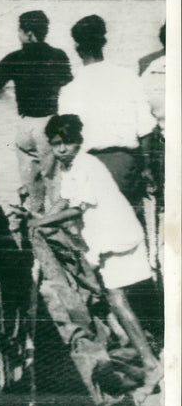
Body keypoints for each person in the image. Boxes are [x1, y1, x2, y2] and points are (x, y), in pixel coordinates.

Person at [29, 115, 161, 375]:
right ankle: (139, 346)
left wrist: (39, 225)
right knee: (116, 296)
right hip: (108, 235)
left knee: (117, 298)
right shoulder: (70, 167)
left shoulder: (86, 165)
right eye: (55, 145)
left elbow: (76, 209)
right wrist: (44, 220)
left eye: (67, 143)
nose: (62, 149)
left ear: (78, 141)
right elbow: (64, 201)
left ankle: (149, 360)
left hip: (116, 234)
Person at [0, 10, 72, 210]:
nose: (18, 34)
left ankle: (35, 228)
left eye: (19, 30)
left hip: (25, 126)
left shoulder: (15, 58)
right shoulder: (59, 55)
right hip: (51, 123)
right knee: (55, 182)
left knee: (31, 185)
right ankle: (58, 229)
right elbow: (68, 86)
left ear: (27, 33)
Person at [58, 15, 157, 213]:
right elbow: (146, 130)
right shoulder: (128, 77)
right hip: (125, 167)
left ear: (77, 48)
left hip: (88, 167)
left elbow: (66, 142)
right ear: (103, 42)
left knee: (95, 229)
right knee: (131, 227)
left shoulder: (69, 89)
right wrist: (146, 168)